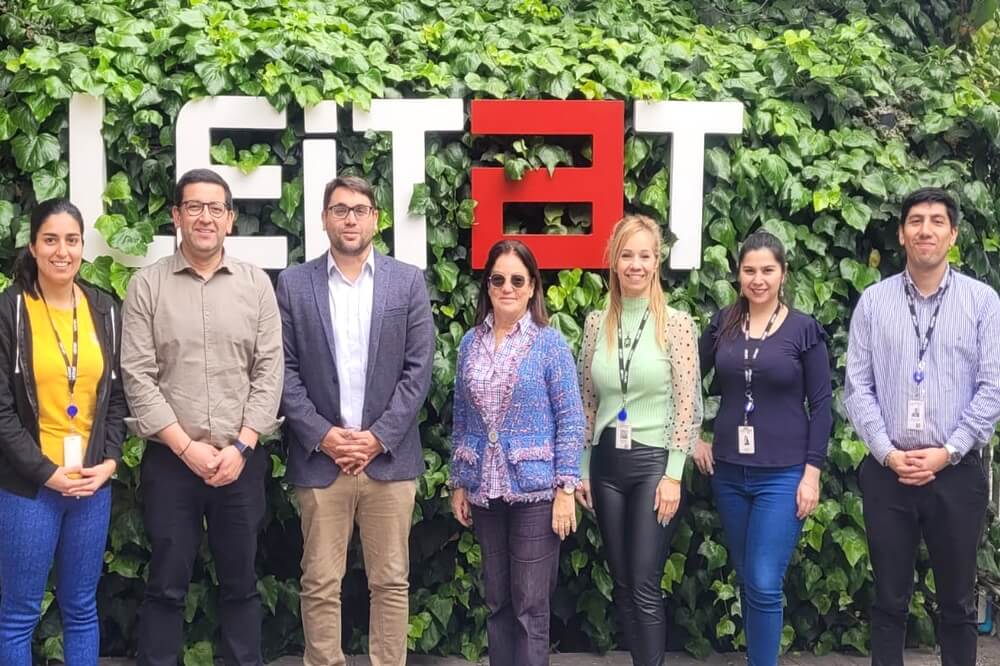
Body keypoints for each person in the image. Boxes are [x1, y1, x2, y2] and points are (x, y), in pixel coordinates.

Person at [121, 169, 283, 666]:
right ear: (177, 216)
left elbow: (269, 369)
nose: (205, 217)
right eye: (194, 206)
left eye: (216, 208)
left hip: (240, 462)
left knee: (241, 585)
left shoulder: (256, 286)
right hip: (172, 461)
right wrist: (186, 447)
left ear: (230, 219)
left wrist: (243, 445)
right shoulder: (147, 286)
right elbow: (138, 375)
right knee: (166, 586)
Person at [277, 175, 435, 666]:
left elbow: (419, 369)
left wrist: (377, 438)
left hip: (388, 460)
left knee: (390, 581)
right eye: (340, 209)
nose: (350, 219)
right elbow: (283, 370)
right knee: (320, 582)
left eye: (360, 209)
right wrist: (324, 436)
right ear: (324, 218)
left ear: (375, 219)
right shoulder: (294, 284)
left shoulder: (406, 281)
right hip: (321, 460)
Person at [845, 187, 1000, 666]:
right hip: (888, 472)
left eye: (936, 221)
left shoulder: (982, 302)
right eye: (916, 221)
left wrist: (948, 451)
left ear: (952, 235)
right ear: (901, 234)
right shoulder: (874, 302)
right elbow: (858, 388)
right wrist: (888, 453)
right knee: (888, 603)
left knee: (957, 604)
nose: (925, 230)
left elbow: (992, 388)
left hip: (955, 472)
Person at [694, 231, 832, 666]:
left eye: (767, 270)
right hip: (729, 472)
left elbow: (822, 405)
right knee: (748, 580)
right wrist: (693, 436)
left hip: (784, 473)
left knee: (764, 580)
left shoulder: (803, 330)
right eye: (750, 270)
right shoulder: (722, 324)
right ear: (738, 275)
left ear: (783, 274)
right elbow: (684, 381)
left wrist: (812, 474)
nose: (758, 279)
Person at [0, 199, 127, 665]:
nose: (62, 251)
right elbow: (2, 412)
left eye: (71, 240)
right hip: (30, 488)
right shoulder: (11, 310)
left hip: (91, 486)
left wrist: (110, 462)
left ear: (82, 247)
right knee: (19, 615)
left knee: (81, 609)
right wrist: (45, 472)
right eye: (50, 240)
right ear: (33, 246)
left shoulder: (104, 309)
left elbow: (117, 397)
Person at [449, 239, 585, 666]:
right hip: (484, 490)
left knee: (530, 607)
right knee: (497, 602)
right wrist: (459, 481)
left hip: (535, 492)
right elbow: (462, 416)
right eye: (498, 279)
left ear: (532, 288)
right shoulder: (470, 343)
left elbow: (571, 419)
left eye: (517, 280)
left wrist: (566, 488)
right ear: (488, 286)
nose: (507, 288)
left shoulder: (549, 344)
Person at [575, 214, 702, 666]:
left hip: (653, 467)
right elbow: (587, 401)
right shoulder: (596, 323)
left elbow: (687, 404)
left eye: (644, 256)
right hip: (607, 466)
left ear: (656, 260)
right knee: (623, 582)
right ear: (614, 261)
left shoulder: (677, 324)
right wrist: (583, 469)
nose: (635, 265)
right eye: (626, 255)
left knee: (645, 582)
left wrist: (674, 474)